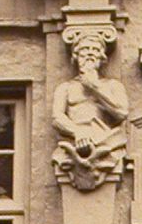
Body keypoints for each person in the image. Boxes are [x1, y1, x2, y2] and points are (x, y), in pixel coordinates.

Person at [51, 32, 130, 189]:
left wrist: (94, 87)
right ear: (76, 56)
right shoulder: (66, 88)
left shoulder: (112, 86)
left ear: (101, 58)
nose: (89, 54)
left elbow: (121, 112)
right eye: (84, 49)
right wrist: (77, 132)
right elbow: (57, 117)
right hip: (75, 144)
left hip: (106, 143)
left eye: (94, 50)